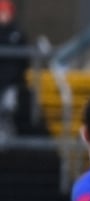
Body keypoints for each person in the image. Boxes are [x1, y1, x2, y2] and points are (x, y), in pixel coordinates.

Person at [0, 0, 28, 139]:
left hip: (11, 83)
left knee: (8, 107)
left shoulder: (17, 33)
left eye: (6, 12)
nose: (3, 16)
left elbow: (23, 61)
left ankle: (8, 140)